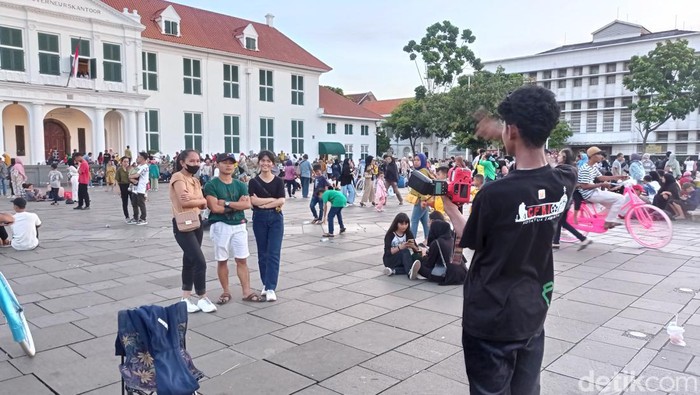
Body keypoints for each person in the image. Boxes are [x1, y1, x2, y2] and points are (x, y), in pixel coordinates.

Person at [458, 85, 577, 394]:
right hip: (533, 310)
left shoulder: (494, 194)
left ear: (511, 131)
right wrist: (508, 129)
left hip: (490, 316)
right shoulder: (565, 180)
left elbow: (468, 238)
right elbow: (543, 162)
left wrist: (446, 205)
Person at [204, 154, 262, 304]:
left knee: (242, 259)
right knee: (222, 259)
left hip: (239, 224)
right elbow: (215, 208)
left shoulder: (241, 184)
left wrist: (227, 203)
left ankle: (246, 291)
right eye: (225, 163)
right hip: (220, 225)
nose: (228, 166)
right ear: (217, 165)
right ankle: (226, 291)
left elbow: (247, 205)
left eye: (231, 163)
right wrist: (235, 205)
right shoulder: (212, 185)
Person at [170, 150, 217, 314]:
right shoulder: (178, 177)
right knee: (200, 261)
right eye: (192, 161)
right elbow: (185, 201)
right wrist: (200, 201)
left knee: (189, 260)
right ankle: (202, 297)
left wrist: (198, 201)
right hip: (182, 223)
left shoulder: (195, 181)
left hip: (197, 222)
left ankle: (185, 298)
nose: (196, 164)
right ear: (183, 162)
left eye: (198, 161)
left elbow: (201, 201)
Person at [248, 150, 286, 302]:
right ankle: (265, 283)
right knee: (262, 253)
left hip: (276, 218)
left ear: (273, 163)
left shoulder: (278, 181)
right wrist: (271, 200)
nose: (265, 163)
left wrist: (262, 203)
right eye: (262, 160)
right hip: (259, 218)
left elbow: (281, 201)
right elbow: (253, 201)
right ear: (259, 163)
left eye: (268, 161)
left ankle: (271, 287)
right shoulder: (253, 182)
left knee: (274, 253)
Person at [578, 146, 629, 229]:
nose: (602, 157)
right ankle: (608, 222)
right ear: (593, 156)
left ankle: (605, 220)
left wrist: (618, 177)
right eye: (599, 154)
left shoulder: (592, 167)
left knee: (612, 205)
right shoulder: (585, 169)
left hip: (594, 191)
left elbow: (600, 177)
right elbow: (584, 186)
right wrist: (601, 185)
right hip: (590, 194)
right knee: (620, 198)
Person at [552, 148, 592, 250]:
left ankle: (583, 238)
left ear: (565, 157)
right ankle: (556, 242)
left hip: (563, 201)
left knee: (561, 221)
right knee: (561, 221)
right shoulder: (571, 168)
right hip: (567, 200)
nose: (558, 157)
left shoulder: (565, 169)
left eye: (560, 155)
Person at [408, 153, 432, 241]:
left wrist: (422, 200)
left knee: (414, 220)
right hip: (422, 200)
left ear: (423, 161)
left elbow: (423, 188)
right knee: (425, 222)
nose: (416, 162)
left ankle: (411, 240)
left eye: (418, 160)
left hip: (420, 201)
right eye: (415, 160)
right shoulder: (422, 170)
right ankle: (428, 238)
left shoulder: (422, 171)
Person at [129, 152, 149, 225]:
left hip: (141, 187)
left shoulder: (145, 167)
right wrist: (131, 177)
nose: (137, 158)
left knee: (141, 203)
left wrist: (131, 176)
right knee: (134, 203)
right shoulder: (139, 166)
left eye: (139, 157)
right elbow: (131, 173)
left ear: (143, 158)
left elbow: (136, 175)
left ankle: (143, 218)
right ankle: (135, 217)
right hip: (135, 187)